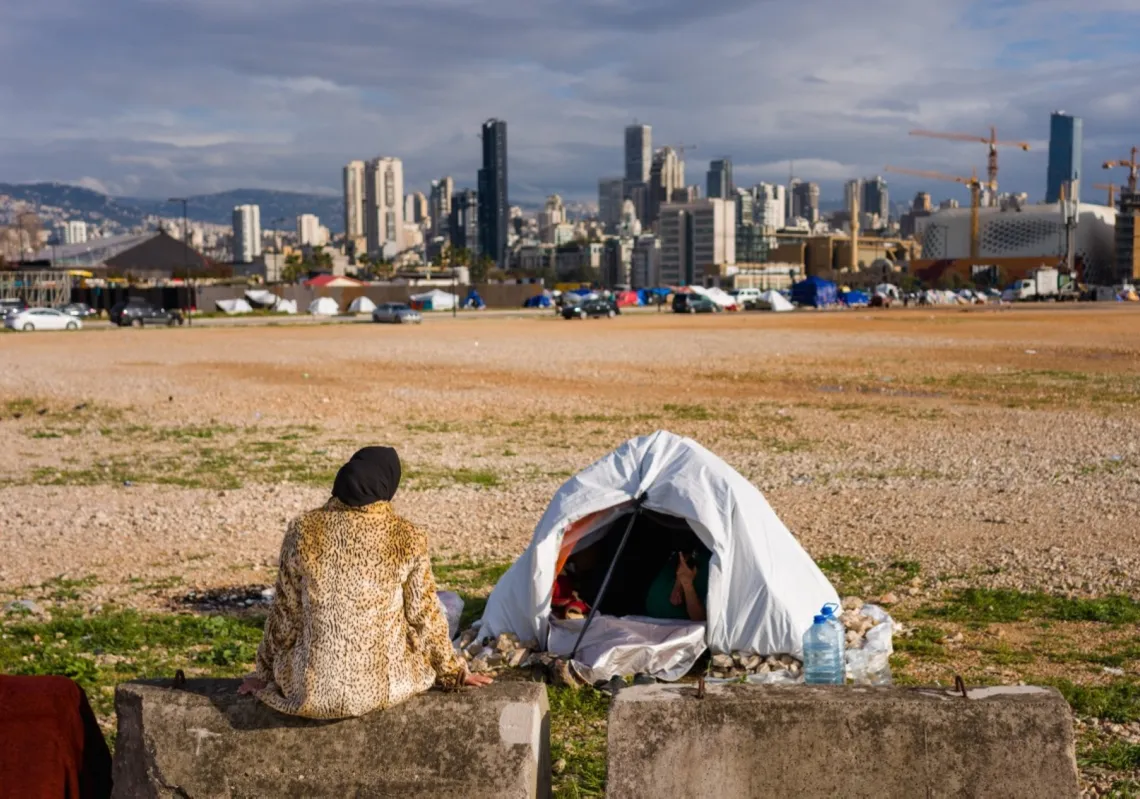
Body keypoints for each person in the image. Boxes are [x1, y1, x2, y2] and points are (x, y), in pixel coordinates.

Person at [240, 446, 492, 719]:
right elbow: (424, 615)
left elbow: (285, 614)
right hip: (384, 687)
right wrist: (453, 672)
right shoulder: (407, 536)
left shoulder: (303, 531)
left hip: (309, 690)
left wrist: (263, 673)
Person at [644, 539, 710, 622]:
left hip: (680, 627)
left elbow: (700, 620)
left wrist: (686, 584)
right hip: (647, 620)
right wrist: (678, 584)